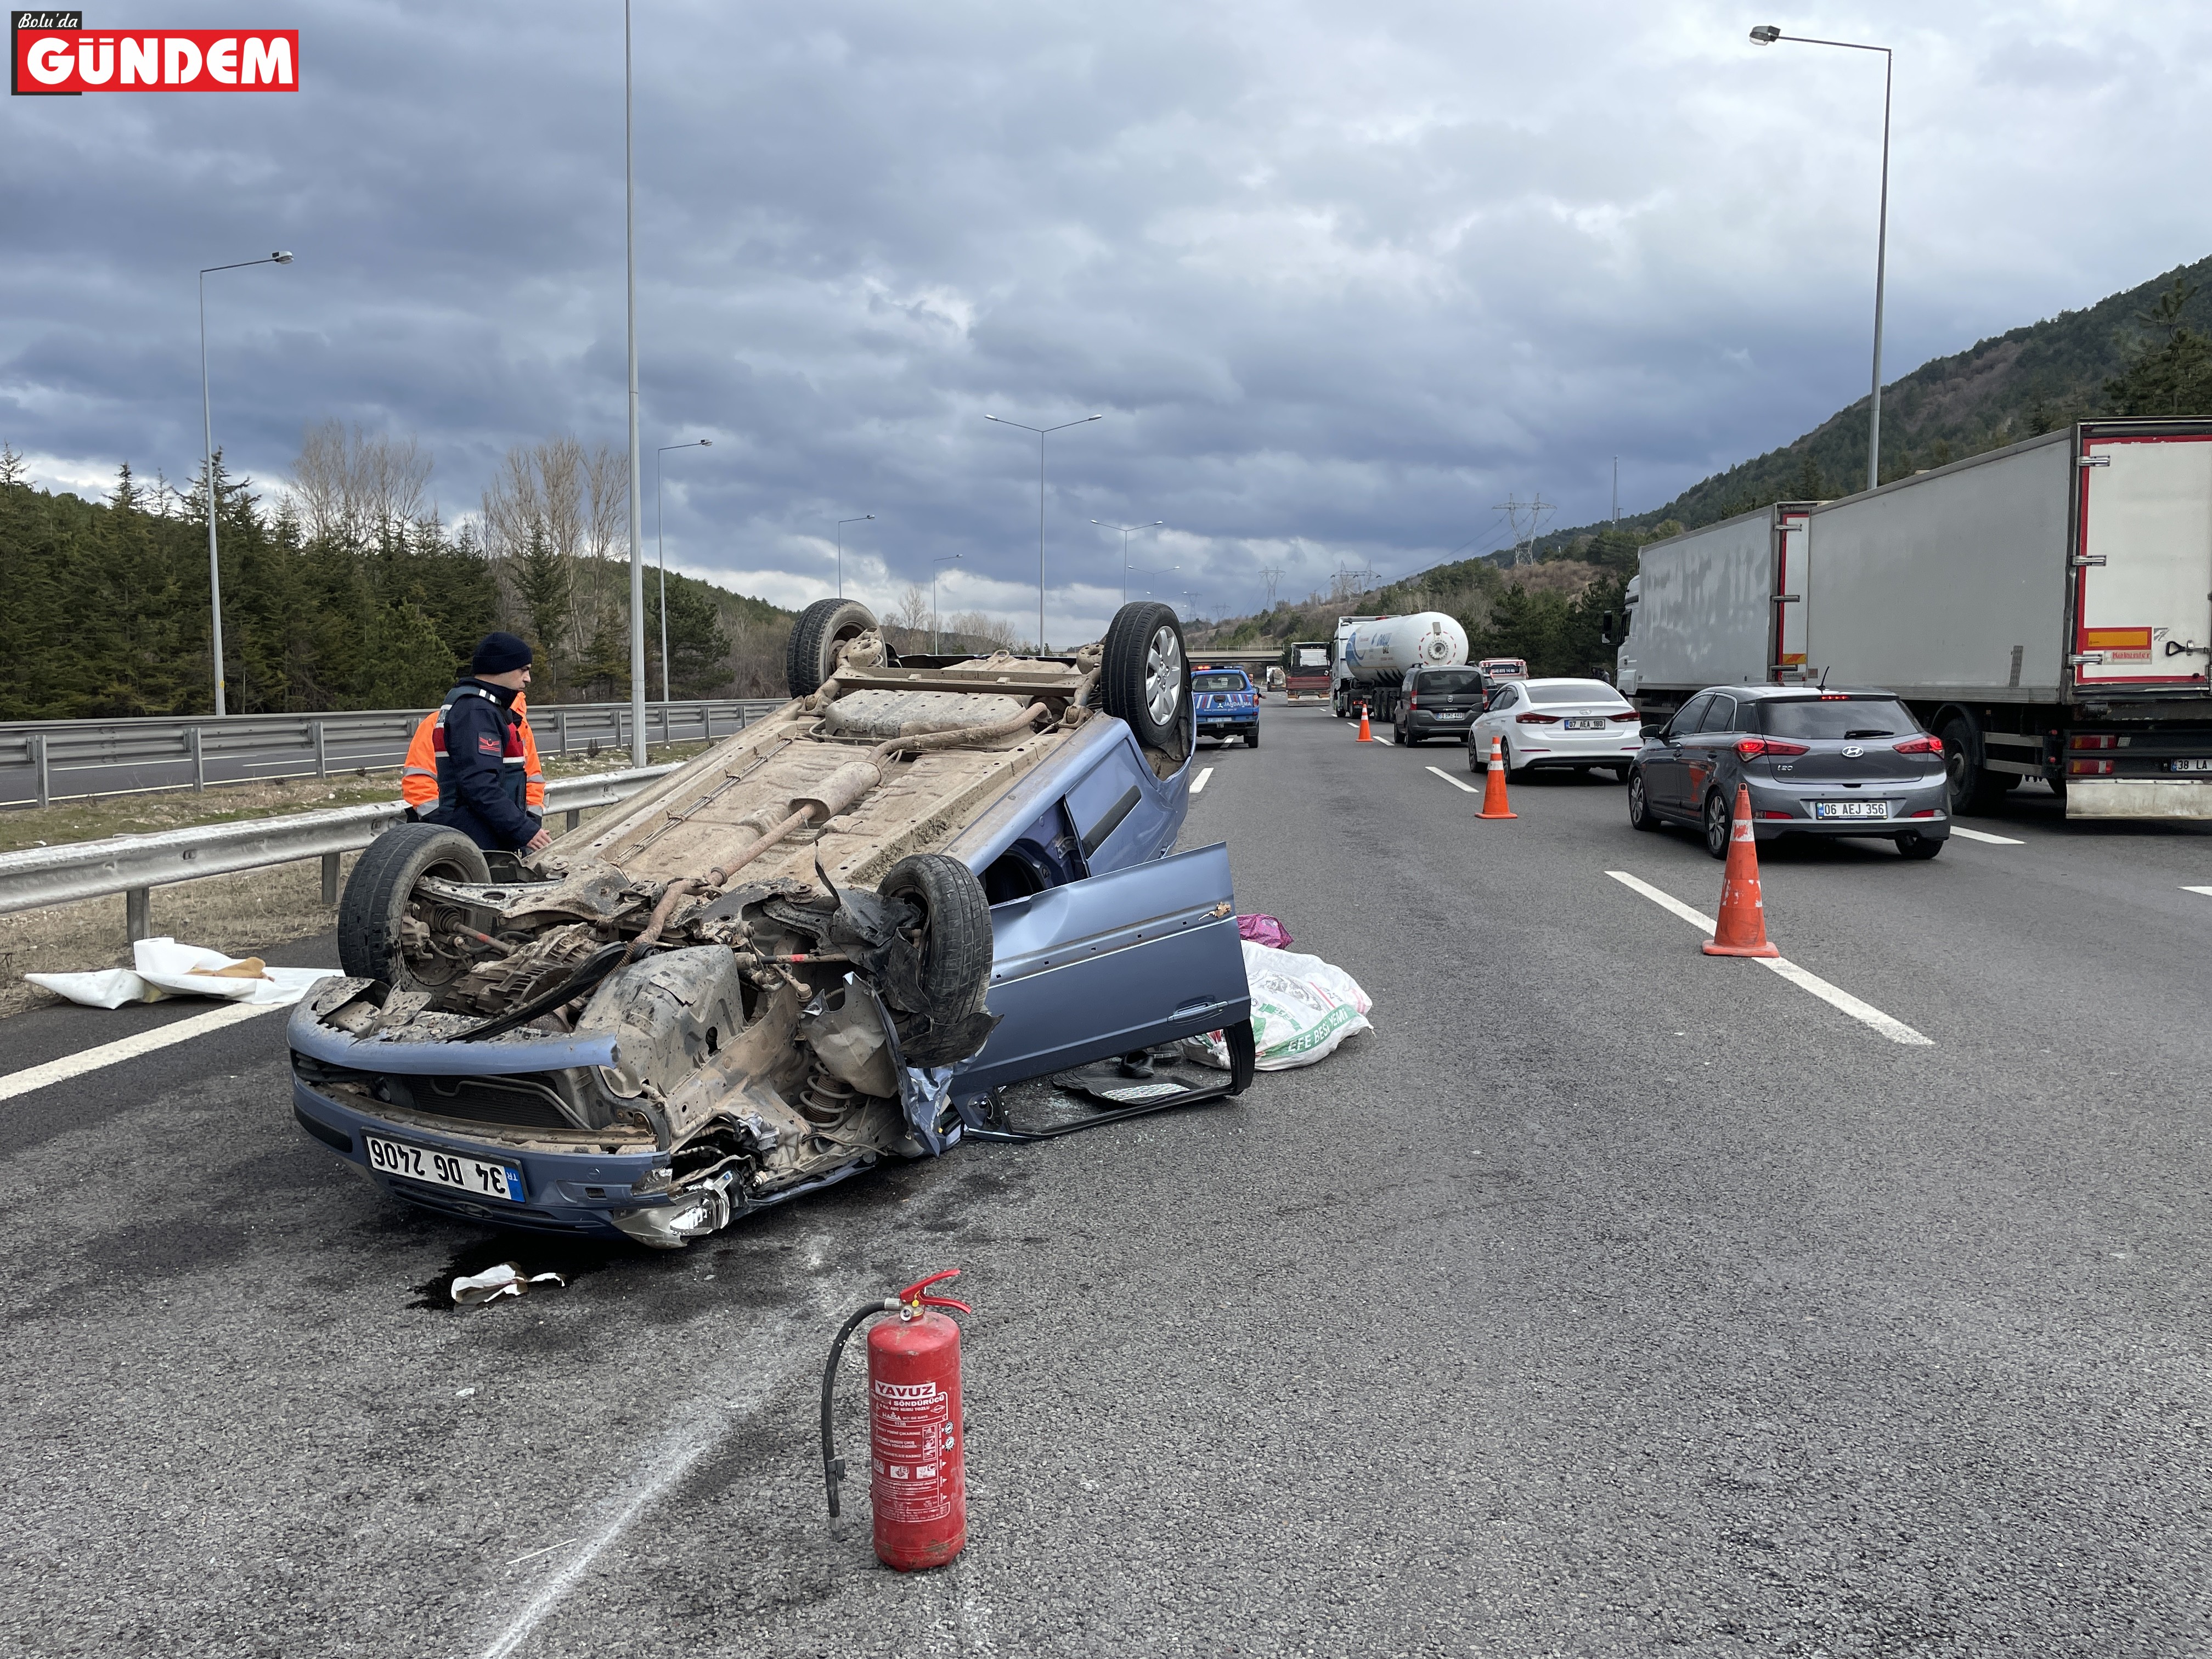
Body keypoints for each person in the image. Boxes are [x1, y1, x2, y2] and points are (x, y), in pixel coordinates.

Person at [420, 633, 552, 855]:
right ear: (502, 666)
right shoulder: (476, 710)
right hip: (478, 835)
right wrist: (523, 829)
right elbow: (480, 784)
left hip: (484, 829)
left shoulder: (479, 705)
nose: (528, 678)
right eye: (524, 669)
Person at [402, 693, 544, 827]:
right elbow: (419, 782)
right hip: (451, 833)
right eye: (523, 671)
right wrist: (442, 824)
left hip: (507, 829)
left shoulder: (520, 727)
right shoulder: (440, 722)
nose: (527, 679)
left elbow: (533, 781)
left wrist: (531, 823)